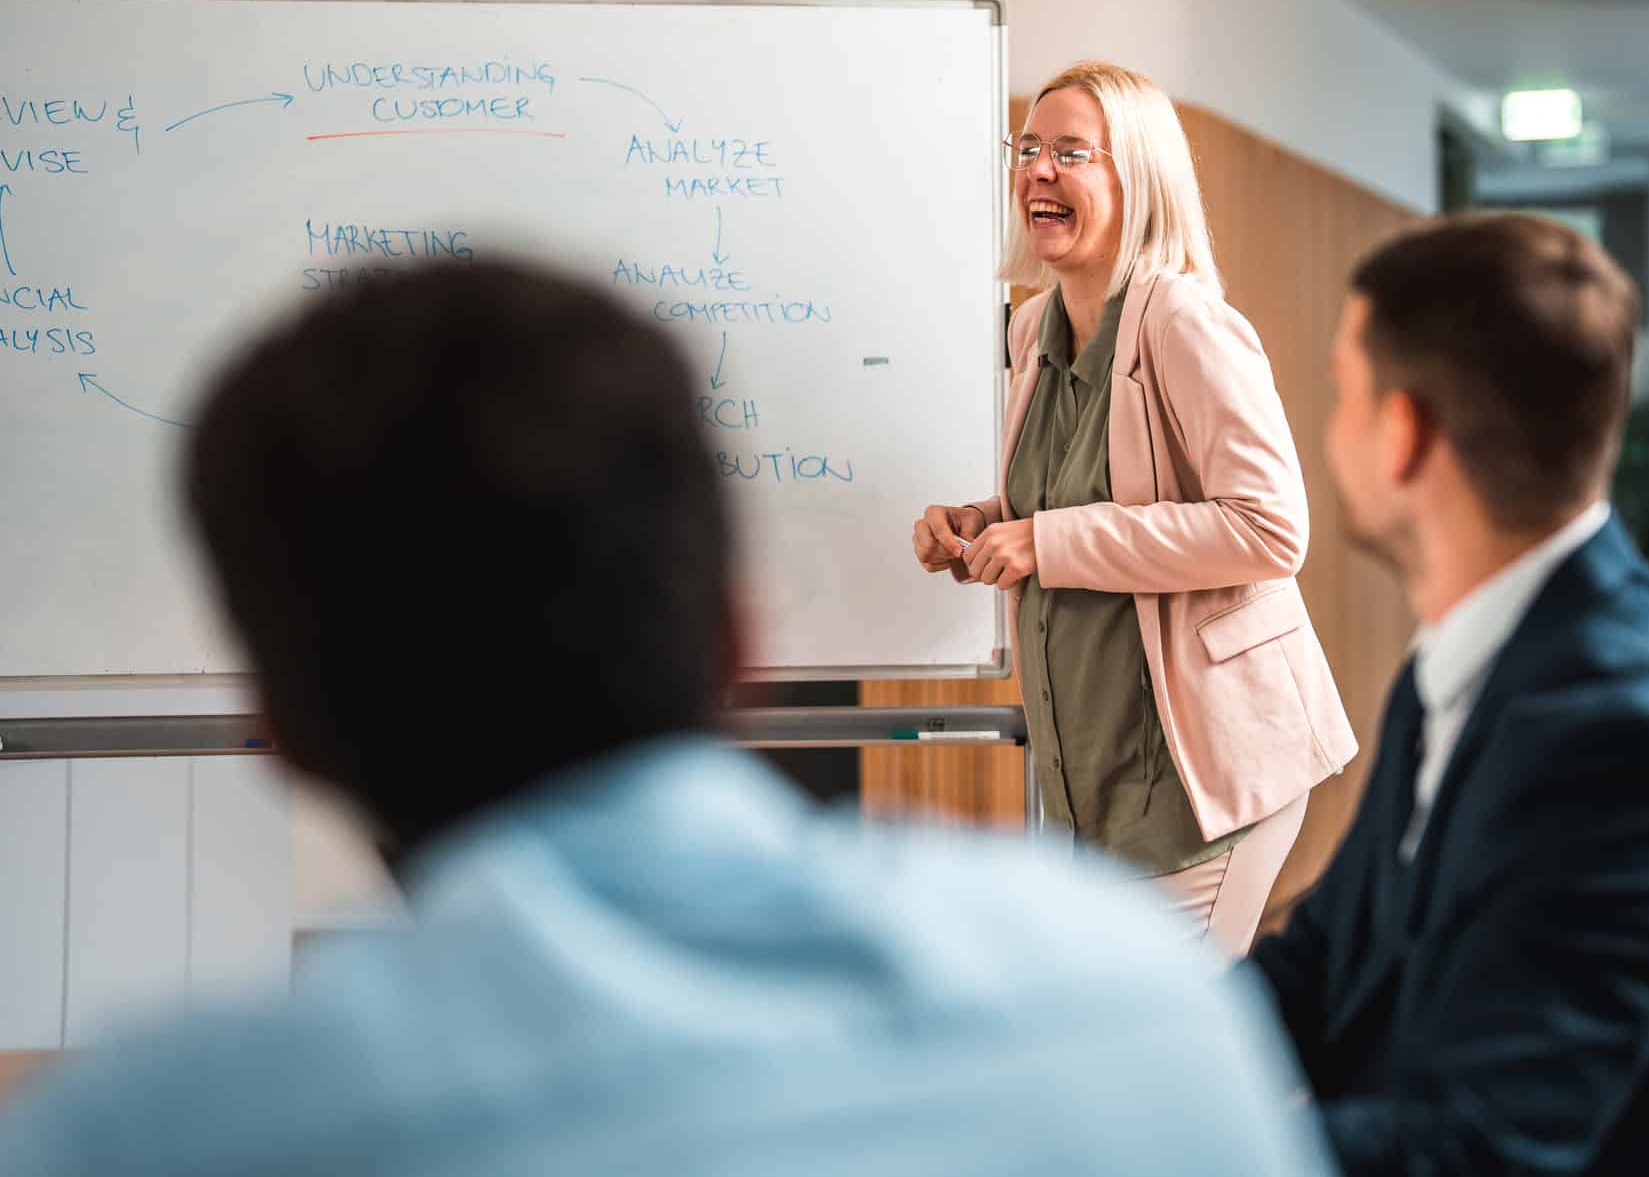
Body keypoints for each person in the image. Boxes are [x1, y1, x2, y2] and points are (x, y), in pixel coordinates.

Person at [0, 262, 1339, 1177]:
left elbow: (1258, 519)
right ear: (739, 642)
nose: (1040, 176)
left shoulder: (149, 1133)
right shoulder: (1121, 996)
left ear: (279, 726)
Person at [1250, 214, 1649, 1175]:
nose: (1323, 430)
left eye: (1340, 392)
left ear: (1402, 434)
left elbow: (1473, 1153)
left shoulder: (1632, 748)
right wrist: (1102, 1065)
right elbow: (1323, 965)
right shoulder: (1468, 659)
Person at [912, 61, 1357, 955]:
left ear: (1138, 177)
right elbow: (1085, 486)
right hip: (1095, 767)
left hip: (1200, 775)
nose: (1037, 170)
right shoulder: (1035, 325)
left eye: (1071, 152)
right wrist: (982, 522)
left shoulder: (1183, 321)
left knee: (1165, 1053)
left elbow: (1269, 527)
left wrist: (1048, 541)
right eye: (1028, 148)